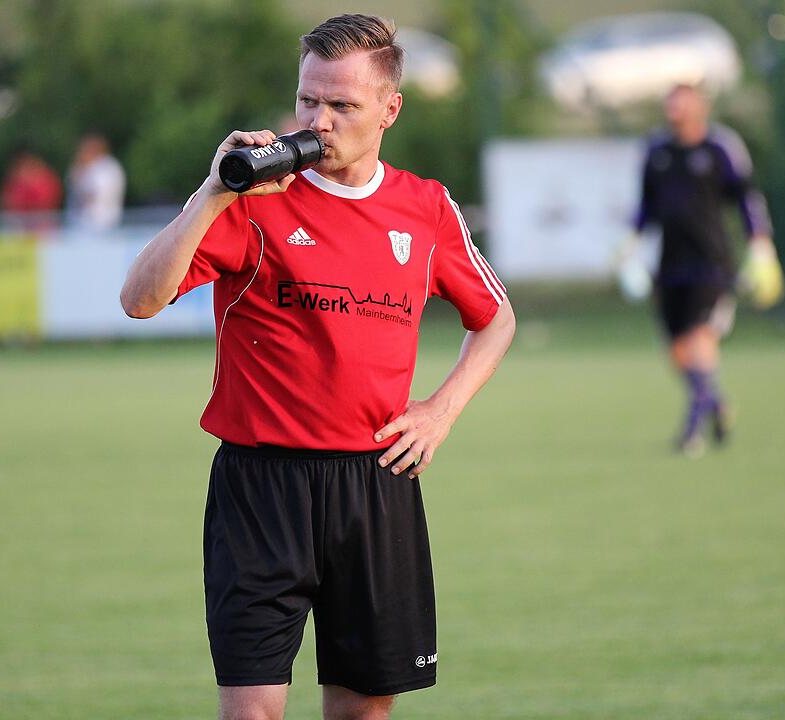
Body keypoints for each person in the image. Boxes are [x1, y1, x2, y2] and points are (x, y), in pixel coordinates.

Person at [120, 14, 515, 720]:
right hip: (259, 487)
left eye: (342, 105)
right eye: (309, 101)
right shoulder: (251, 201)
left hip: (375, 484)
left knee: (362, 711)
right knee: (252, 712)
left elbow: (495, 318)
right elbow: (139, 299)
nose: (319, 120)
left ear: (390, 110)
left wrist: (440, 410)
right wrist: (211, 194)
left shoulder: (425, 208)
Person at [633, 84, 778, 457]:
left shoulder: (720, 148)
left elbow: (747, 197)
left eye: (681, 105)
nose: (674, 112)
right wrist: (630, 244)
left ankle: (692, 430)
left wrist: (760, 244)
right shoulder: (657, 151)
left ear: (700, 108)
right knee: (677, 353)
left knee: (701, 340)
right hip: (670, 266)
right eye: (670, 106)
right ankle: (716, 403)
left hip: (711, 264)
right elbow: (646, 205)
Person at [66, 133, 125, 234]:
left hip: (100, 224)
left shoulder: (105, 167)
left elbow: (93, 193)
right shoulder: (89, 166)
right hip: (86, 225)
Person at [0, 146, 62, 233]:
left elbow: (46, 203)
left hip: (43, 228)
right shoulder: (14, 180)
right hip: (19, 228)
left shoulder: (45, 178)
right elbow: (7, 203)